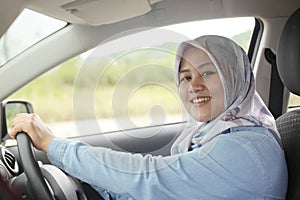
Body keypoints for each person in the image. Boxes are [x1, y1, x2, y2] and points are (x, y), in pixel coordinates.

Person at [10, 35, 288, 200]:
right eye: (186, 76)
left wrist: (53, 144)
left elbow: (151, 177)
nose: (194, 85)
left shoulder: (247, 148)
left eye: (208, 72)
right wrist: (92, 181)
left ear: (235, 77)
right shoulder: (217, 133)